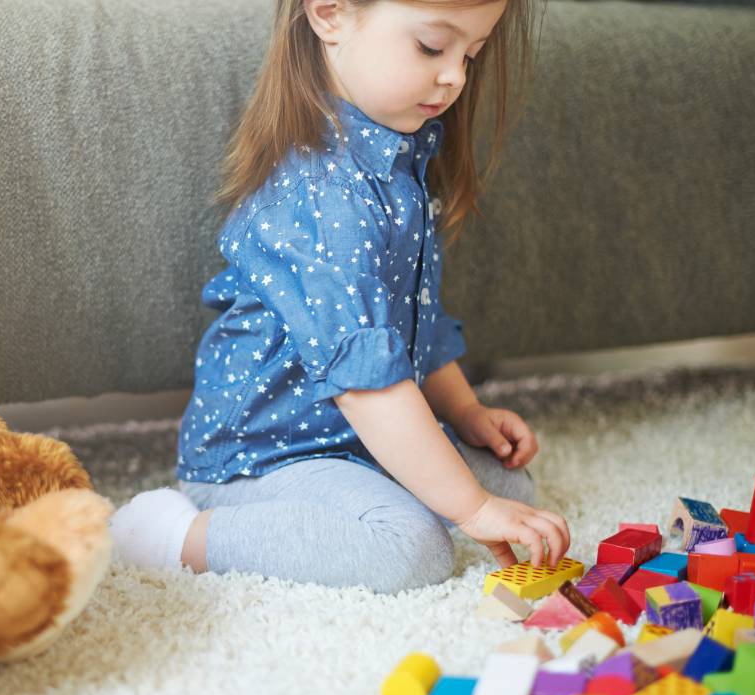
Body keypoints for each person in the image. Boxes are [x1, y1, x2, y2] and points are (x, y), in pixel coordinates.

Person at [109, 0, 570, 594]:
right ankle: (171, 536)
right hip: (265, 454)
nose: (455, 75)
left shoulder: (396, 157)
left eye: (471, 55)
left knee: (511, 486)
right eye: (433, 47)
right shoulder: (322, 193)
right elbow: (367, 382)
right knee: (411, 549)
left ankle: (400, 482)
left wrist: (466, 414)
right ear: (330, 14)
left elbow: (408, 331)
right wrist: (471, 511)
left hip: (356, 435)